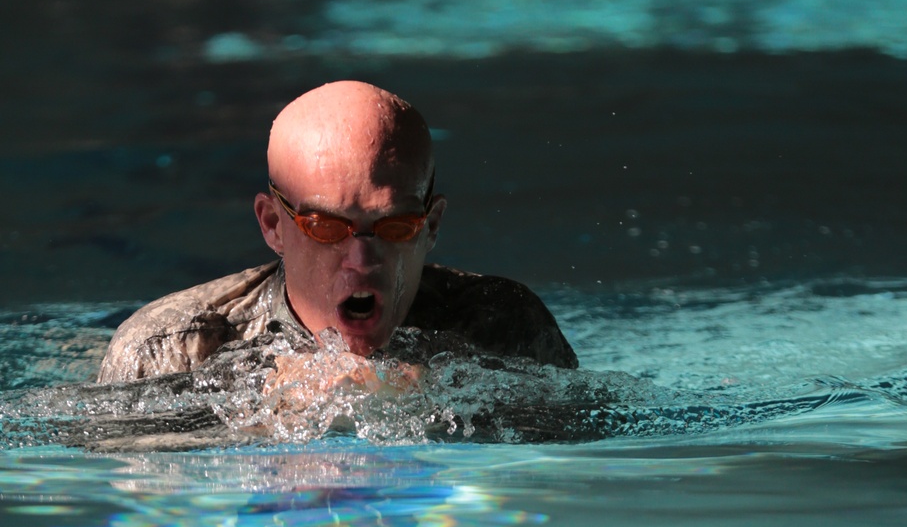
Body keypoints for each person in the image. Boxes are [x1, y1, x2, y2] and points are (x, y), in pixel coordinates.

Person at [96, 80, 577, 387]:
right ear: (272, 225)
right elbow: (118, 480)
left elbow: (585, 451)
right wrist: (263, 415)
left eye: (394, 226)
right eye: (326, 227)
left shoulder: (503, 326)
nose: (362, 260)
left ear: (430, 227)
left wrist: (431, 403)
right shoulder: (173, 347)